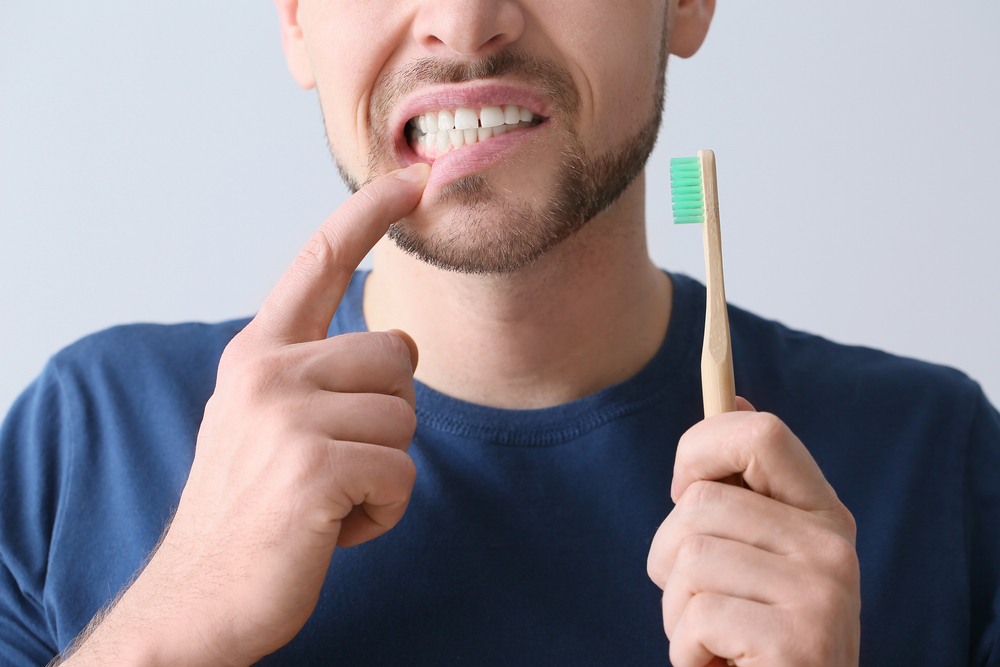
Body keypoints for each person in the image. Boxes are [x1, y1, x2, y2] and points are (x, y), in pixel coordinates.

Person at [1, 0, 997, 665]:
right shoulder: (83, 439)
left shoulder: (939, 464)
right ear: (297, 19)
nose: (464, 22)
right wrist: (167, 624)